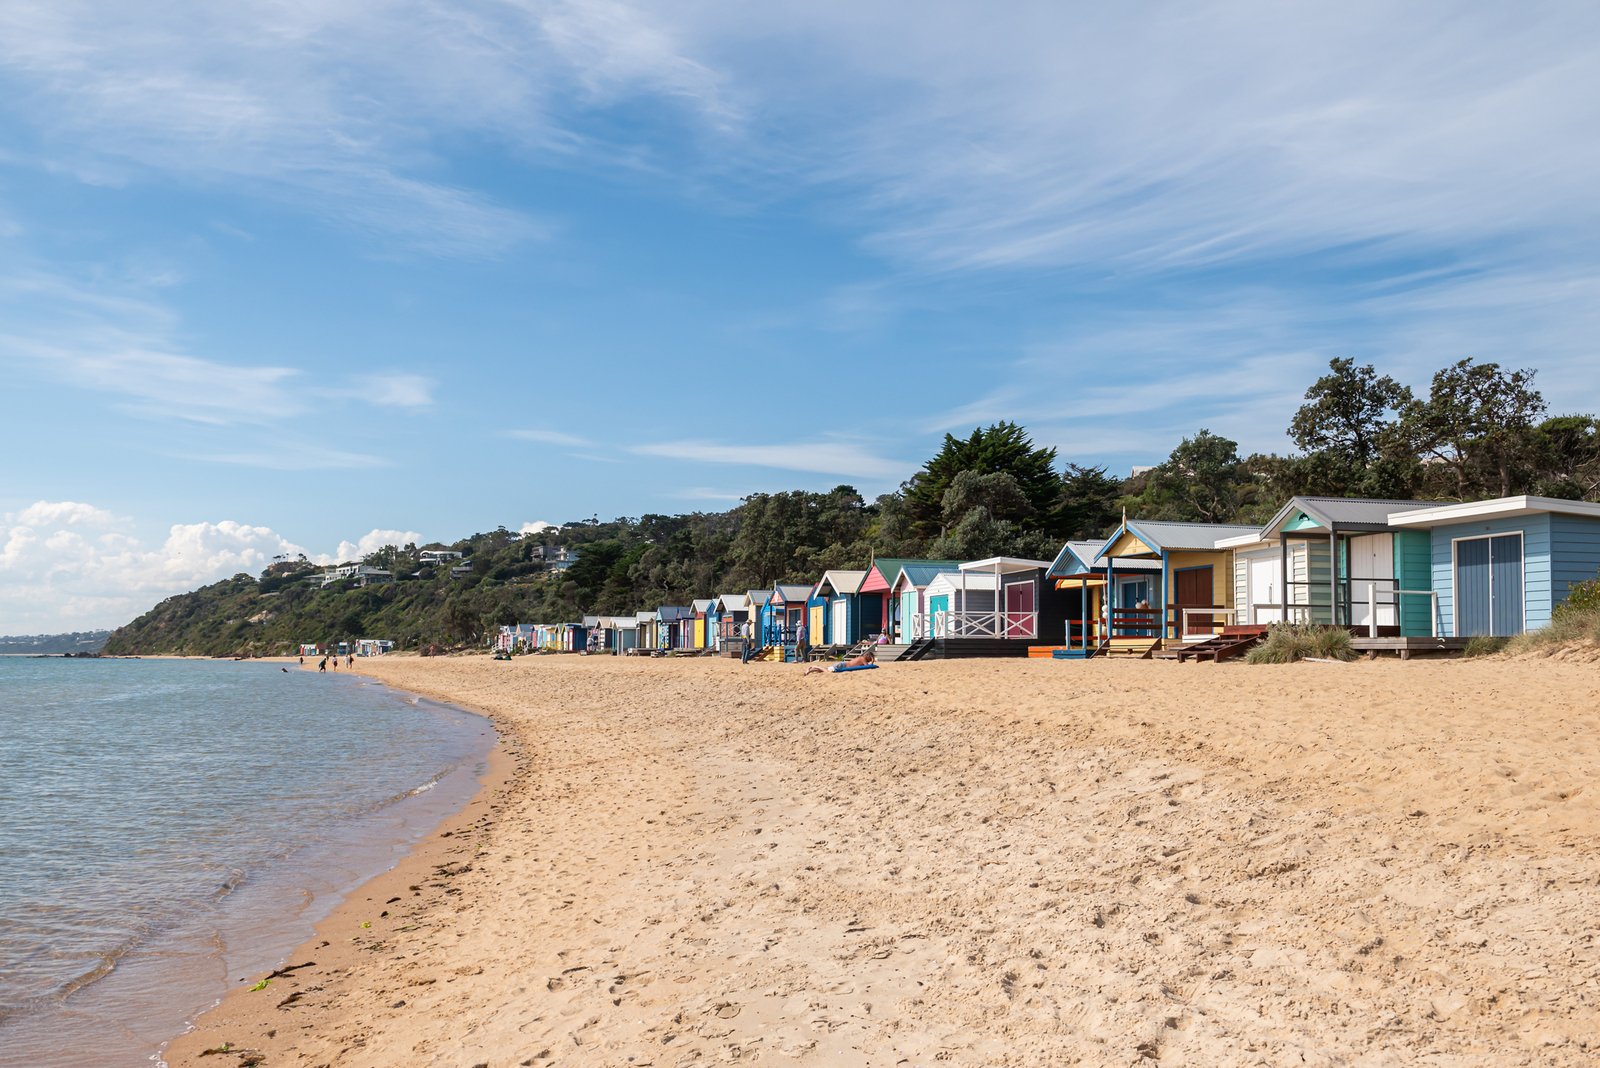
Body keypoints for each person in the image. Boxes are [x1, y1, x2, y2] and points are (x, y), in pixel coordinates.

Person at [804, 646, 875, 675]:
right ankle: (815, 666)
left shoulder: (861, 658)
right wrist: (872, 661)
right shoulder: (863, 659)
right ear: (868, 657)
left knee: (825, 670)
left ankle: (811, 669)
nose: (869, 660)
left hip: (842, 665)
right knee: (828, 672)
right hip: (842, 666)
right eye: (870, 659)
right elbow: (867, 666)